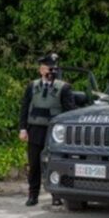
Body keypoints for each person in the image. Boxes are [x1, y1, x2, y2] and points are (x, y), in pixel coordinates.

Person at [19, 53, 76, 207]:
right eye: (46, 68)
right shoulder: (32, 86)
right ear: (40, 69)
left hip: (54, 133)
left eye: (51, 68)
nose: (48, 71)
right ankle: (33, 195)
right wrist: (23, 128)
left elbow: (70, 113)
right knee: (34, 165)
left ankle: (56, 195)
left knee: (53, 163)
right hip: (35, 130)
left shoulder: (63, 88)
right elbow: (24, 108)